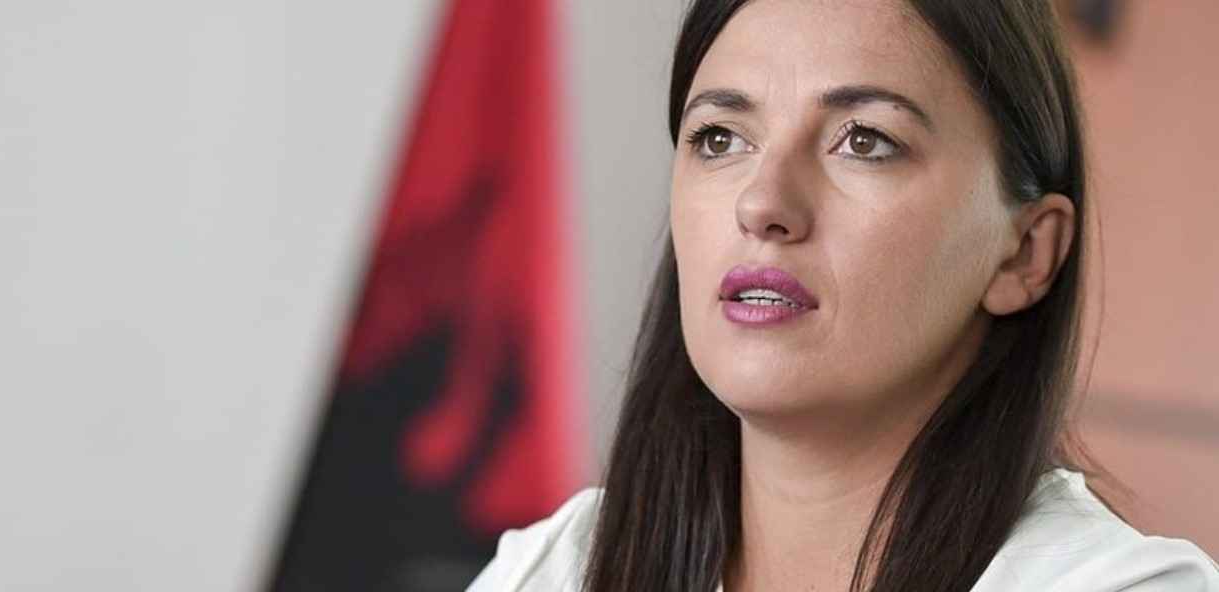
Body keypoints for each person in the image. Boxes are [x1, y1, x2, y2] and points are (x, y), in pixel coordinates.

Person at [469, 0, 1219, 590]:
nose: (762, 203)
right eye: (720, 138)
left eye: (865, 140)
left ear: (1025, 252)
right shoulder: (552, 570)